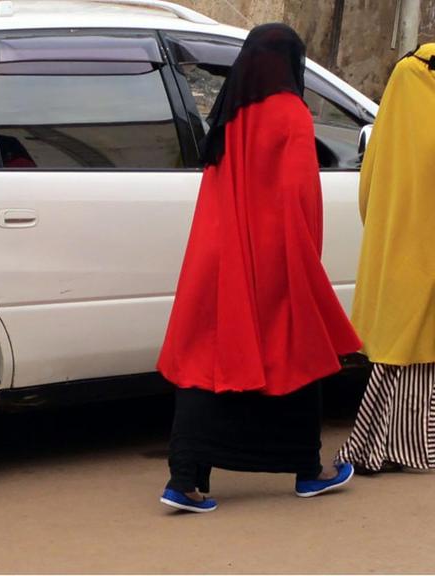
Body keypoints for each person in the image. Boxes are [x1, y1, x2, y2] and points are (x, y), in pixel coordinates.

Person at [157, 24, 360, 513]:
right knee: (296, 352)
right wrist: (304, 253)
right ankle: (307, 472)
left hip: (216, 254)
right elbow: (298, 196)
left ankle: (184, 480)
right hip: (272, 255)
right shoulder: (291, 113)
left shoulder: (229, 114)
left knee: (205, 362)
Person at [337, 44, 435, 473]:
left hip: (399, 253)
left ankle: (385, 443)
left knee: (399, 346)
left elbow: (367, 191)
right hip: (420, 251)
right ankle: (416, 445)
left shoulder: (397, 113)